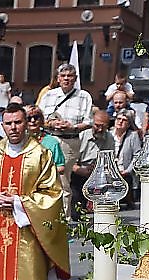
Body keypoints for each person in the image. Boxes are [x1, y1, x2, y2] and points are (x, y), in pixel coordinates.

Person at [0, 104, 70, 280]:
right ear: (2, 125)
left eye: (18, 122)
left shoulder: (40, 154)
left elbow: (52, 192)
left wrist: (19, 203)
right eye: (8, 123)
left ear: (26, 123)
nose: (13, 128)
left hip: (26, 226)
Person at [37, 64, 93, 219]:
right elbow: (38, 118)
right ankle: (46, 217)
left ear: (75, 78)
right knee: (44, 178)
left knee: (62, 180)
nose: (66, 79)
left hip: (69, 141)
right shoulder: (49, 95)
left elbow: (89, 122)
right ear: (58, 78)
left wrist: (72, 126)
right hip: (49, 139)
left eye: (70, 76)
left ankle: (64, 220)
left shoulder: (84, 96)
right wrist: (51, 124)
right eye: (63, 76)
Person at [72, 110, 115, 218]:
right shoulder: (82, 135)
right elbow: (70, 161)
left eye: (103, 127)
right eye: (97, 125)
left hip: (98, 172)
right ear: (92, 122)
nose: (100, 129)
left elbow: (109, 160)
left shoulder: (109, 138)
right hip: (79, 171)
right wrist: (80, 170)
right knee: (76, 211)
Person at [110, 109, 141, 210]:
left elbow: (137, 155)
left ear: (128, 124)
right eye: (118, 119)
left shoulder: (133, 136)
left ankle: (129, 200)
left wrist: (127, 170)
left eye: (124, 120)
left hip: (124, 170)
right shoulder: (109, 134)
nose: (120, 122)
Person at [25, 104, 65, 178]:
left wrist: (43, 171)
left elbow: (61, 167)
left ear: (41, 120)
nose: (33, 120)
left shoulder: (52, 142)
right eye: (29, 118)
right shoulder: (20, 141)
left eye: (36, 117)